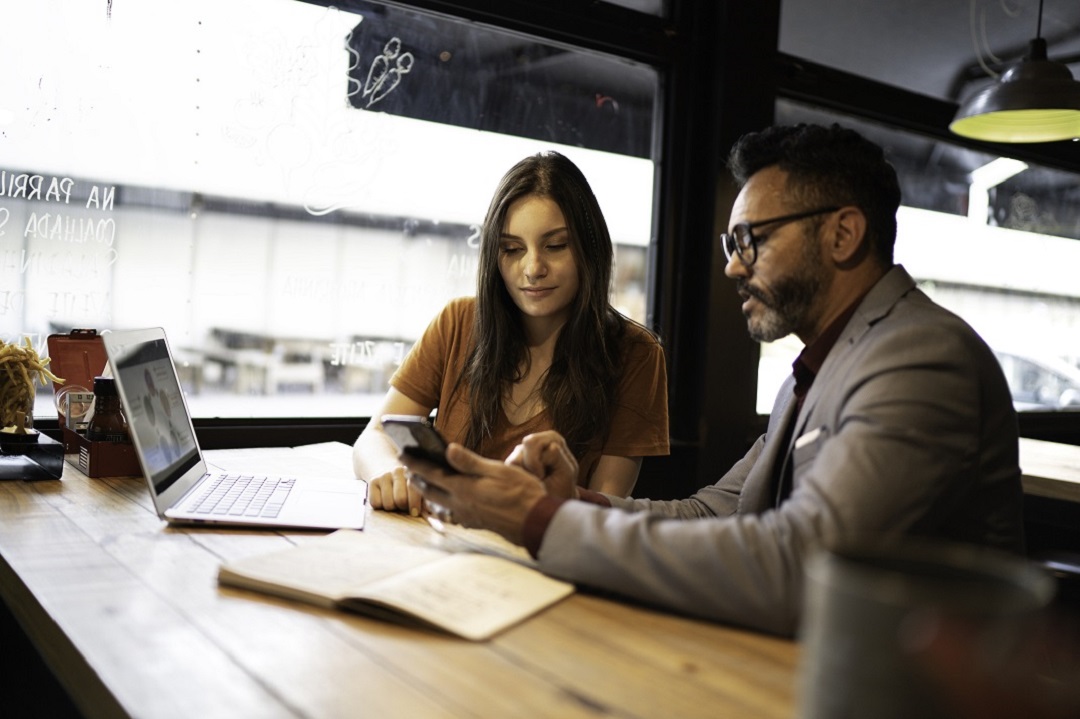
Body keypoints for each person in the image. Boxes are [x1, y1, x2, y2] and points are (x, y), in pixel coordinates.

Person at [399, 123, 1026, 637]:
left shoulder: (919, 355)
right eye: (730, 241)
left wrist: (540, 520)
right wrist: (573, 501)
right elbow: (710, 513)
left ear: (842, 234)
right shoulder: (817, 372)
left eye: (750, 239)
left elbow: (801, 566)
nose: (730, 265)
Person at [353, 151, 670, 514]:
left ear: (590, 248)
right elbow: (374, 436)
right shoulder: (458, 322)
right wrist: (390, 472)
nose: (533, 268)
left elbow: (603, 510)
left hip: (541, 557)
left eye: (555, 246)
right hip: (438, 545)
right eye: (512, 249)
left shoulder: (635, 353)